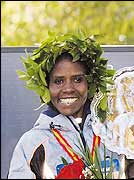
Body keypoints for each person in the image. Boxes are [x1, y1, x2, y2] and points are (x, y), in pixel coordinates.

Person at [8, 32, 121, 178]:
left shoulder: (114, 133)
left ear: (90, 83)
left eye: (78, 79)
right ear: (46, 86)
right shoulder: (32, 143)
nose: (68, 89)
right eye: (58, 81)